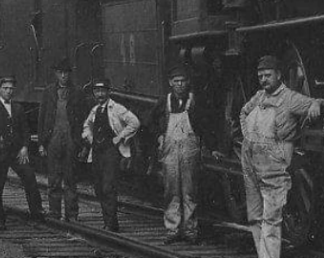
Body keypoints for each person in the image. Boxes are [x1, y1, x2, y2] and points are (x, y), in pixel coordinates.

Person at [240, 55, 324, 258]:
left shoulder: (290, 99)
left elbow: (314, 103)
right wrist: (248, 136)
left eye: (268, 75)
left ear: (278, 75)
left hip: (273, 162)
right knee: (255, 215)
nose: (264, 80)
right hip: (250, 159)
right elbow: (244, 112)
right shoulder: (258, 97)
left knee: (271, 215)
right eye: (260, 76)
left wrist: (316, 104)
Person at [150, 64, 204, 244]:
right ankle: (173, 229)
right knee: (171, 191)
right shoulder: (163, 102)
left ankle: (190, 230)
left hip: (189, 151)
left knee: (189, 192)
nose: (180, 84)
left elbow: (205, 124)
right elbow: (149, 121)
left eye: (182, 81)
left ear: (187, 82)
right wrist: (159, 135)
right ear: (170, 83)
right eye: (176, 81)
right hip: (170, 151)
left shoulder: (194, 101)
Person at [0, 76, 45, 229]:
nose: (8, 91)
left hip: (17, 152)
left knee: (30, 177)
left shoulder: (18, 108)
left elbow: (25, 130)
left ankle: (36, 212)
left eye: (11, 89)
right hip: (0, 152)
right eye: (5, 88)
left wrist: (24, 147)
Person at [82, 78, 140, 232]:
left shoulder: (117, 108)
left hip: (111, 152)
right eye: (97, 91)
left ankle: (111, 223)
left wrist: (120, 137)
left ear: (109, 92)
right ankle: (107, 220)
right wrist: (89, 137)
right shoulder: (95, 110)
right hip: (97, 153)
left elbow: (134, 123)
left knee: (108, 187)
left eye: (103, 91)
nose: (100, 94)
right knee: (99, 188)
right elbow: (86, 126)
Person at [37, 58, 90, 221]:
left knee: (70, 178)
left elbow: (84, 118)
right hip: (53, 138)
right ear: (56, 74)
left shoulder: (78, 92)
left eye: (66, 73)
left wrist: (82, 144)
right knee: (53, 178)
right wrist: (41, 142)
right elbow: (42, 117)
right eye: (60, 73)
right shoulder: (48, 92)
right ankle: (54, 212)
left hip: (71, 139)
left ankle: (72, 214)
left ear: (69, 74)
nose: (63, 76)